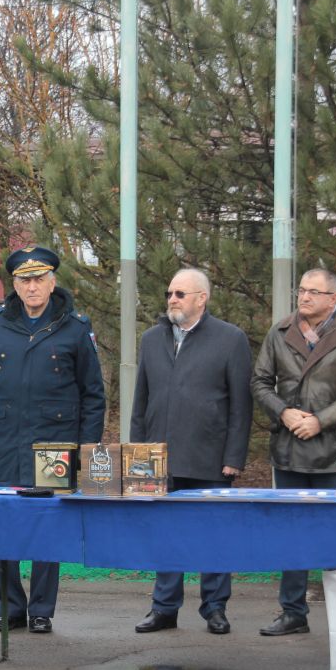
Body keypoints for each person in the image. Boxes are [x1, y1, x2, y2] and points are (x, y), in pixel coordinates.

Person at [0, 246, 106, 634]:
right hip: (4, 443)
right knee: (1, 525)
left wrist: (86, 447)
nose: (32, 287)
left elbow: (93, 394)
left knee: (48, 527)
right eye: (25, 280)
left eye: (39, 279)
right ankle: (9, 607)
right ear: (14, 284)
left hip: (55, 444)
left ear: (52, 282)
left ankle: (41, 609)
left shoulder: (75, 328)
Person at [251, 268, 336, 636]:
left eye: (313, 292)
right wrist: (283, 411)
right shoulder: (280, 331)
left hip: (333, 451)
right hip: (288, 447)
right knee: (292, 533)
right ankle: (293, 612)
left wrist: (320, 421)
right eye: (301, 290)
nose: (304, 297)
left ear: (333, 298)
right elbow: (259, 382)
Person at [130, 268, 252, 636]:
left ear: (202, 298)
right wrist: (138, 456)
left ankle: (215, 608)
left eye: (181, 293)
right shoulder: (152, 340)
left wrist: (234, 456)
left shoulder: (231, 339)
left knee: (212, 535)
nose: (172, 299)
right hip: (159, 457)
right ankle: (164, 608)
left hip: (209, 456)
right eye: (170, 293)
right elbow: (141, 401)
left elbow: (240, 406)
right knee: (166, 536)